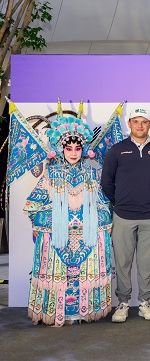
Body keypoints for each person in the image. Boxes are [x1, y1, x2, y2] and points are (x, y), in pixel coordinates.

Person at [25, 113, 112, 326]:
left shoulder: (92, 174)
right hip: (57, 236)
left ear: (83, 150)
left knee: (83, 272)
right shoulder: (51, 174)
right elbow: (32, 205)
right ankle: (57, 312)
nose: (73, 153)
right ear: (61, 149)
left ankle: (84, 310)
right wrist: (42, 224)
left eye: (78, 148)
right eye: (68, 148)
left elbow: (103, 204)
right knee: (58, 273)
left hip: (87, 237)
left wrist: (104, 227)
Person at [102, 107, 150, 323]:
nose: (140, 126)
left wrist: (145, 198)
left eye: (144, 122)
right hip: (123, 216)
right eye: (136, 121)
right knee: (123, 262)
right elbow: (107, 183)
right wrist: (121, 201)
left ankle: (144, 303)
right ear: (129, 123)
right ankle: (122, 303)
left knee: (146, 262)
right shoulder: (117, 150)